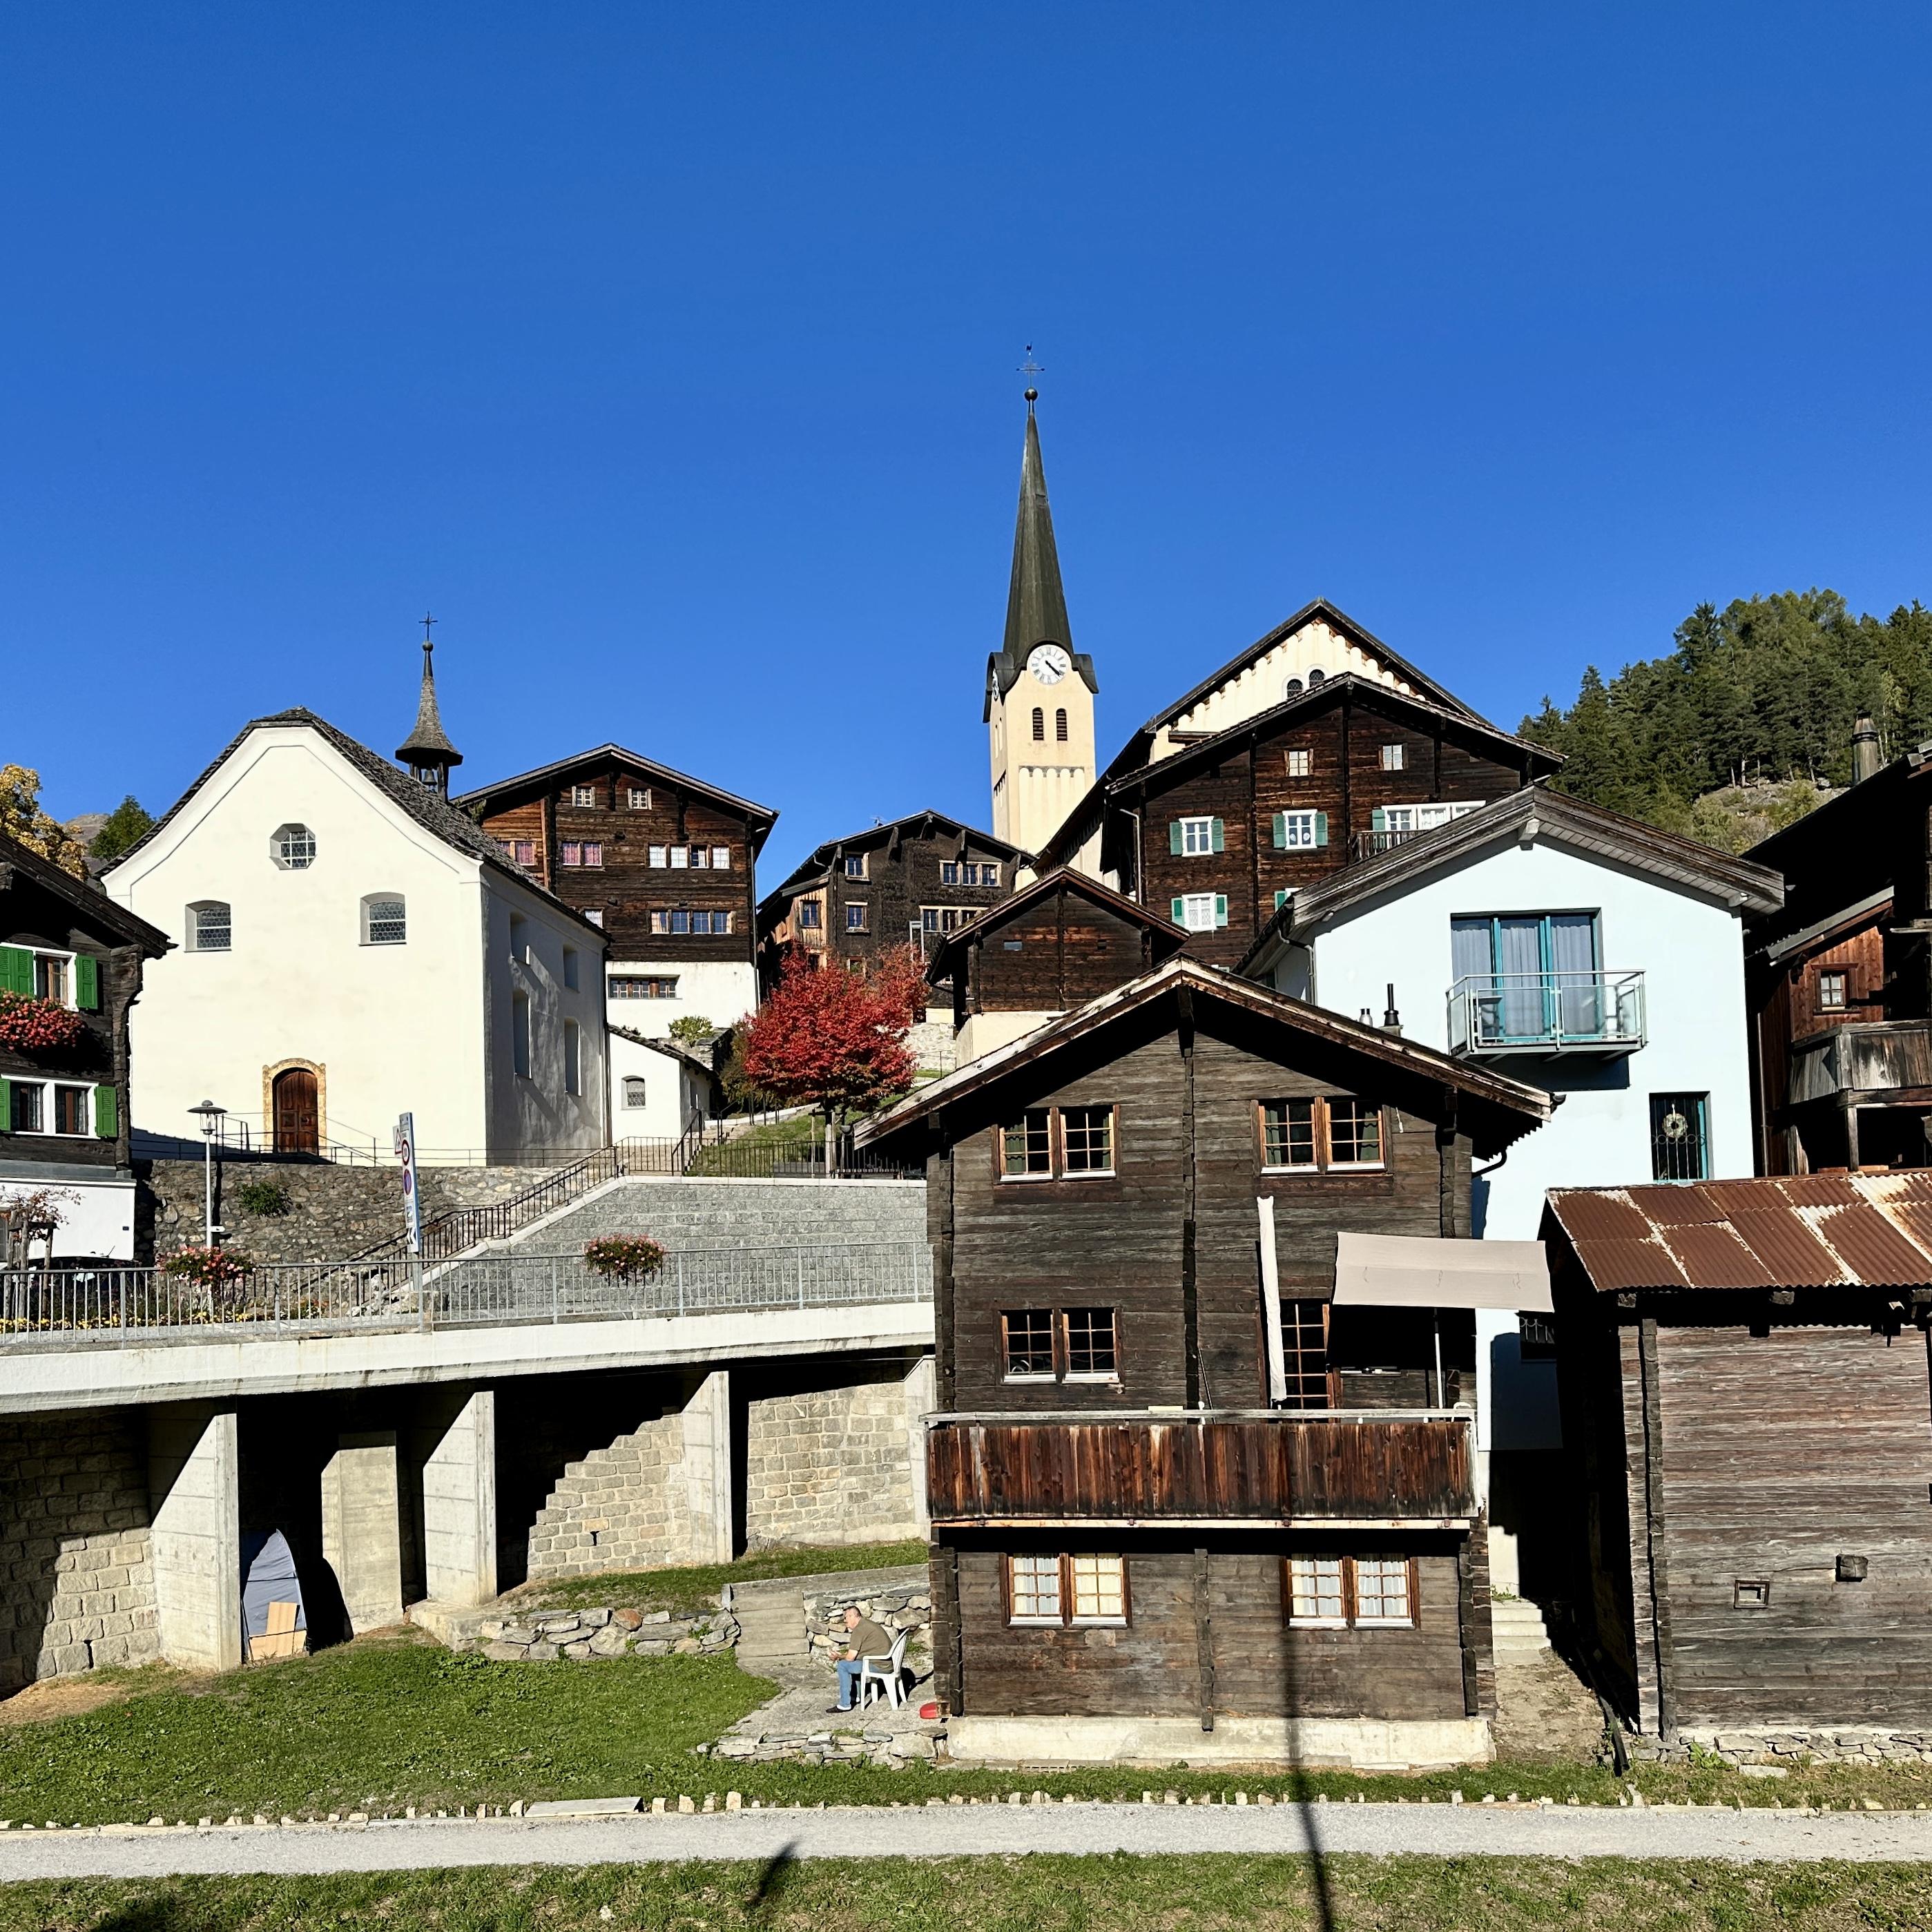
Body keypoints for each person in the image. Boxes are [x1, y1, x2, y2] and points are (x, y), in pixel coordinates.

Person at [829, 1604, 893, 1713]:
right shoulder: (866, 1624)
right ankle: (856, 1696)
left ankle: (845, 1704)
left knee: (843, 1666)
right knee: (853, 1663)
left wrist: (840, 1658)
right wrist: (840, 1656)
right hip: (885, 1662)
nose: (845, 1621)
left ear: (853, 1616)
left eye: (846, 1617)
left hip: (880, 1665)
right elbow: (853, 1655)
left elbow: (850, 1658)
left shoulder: (859, 1630)